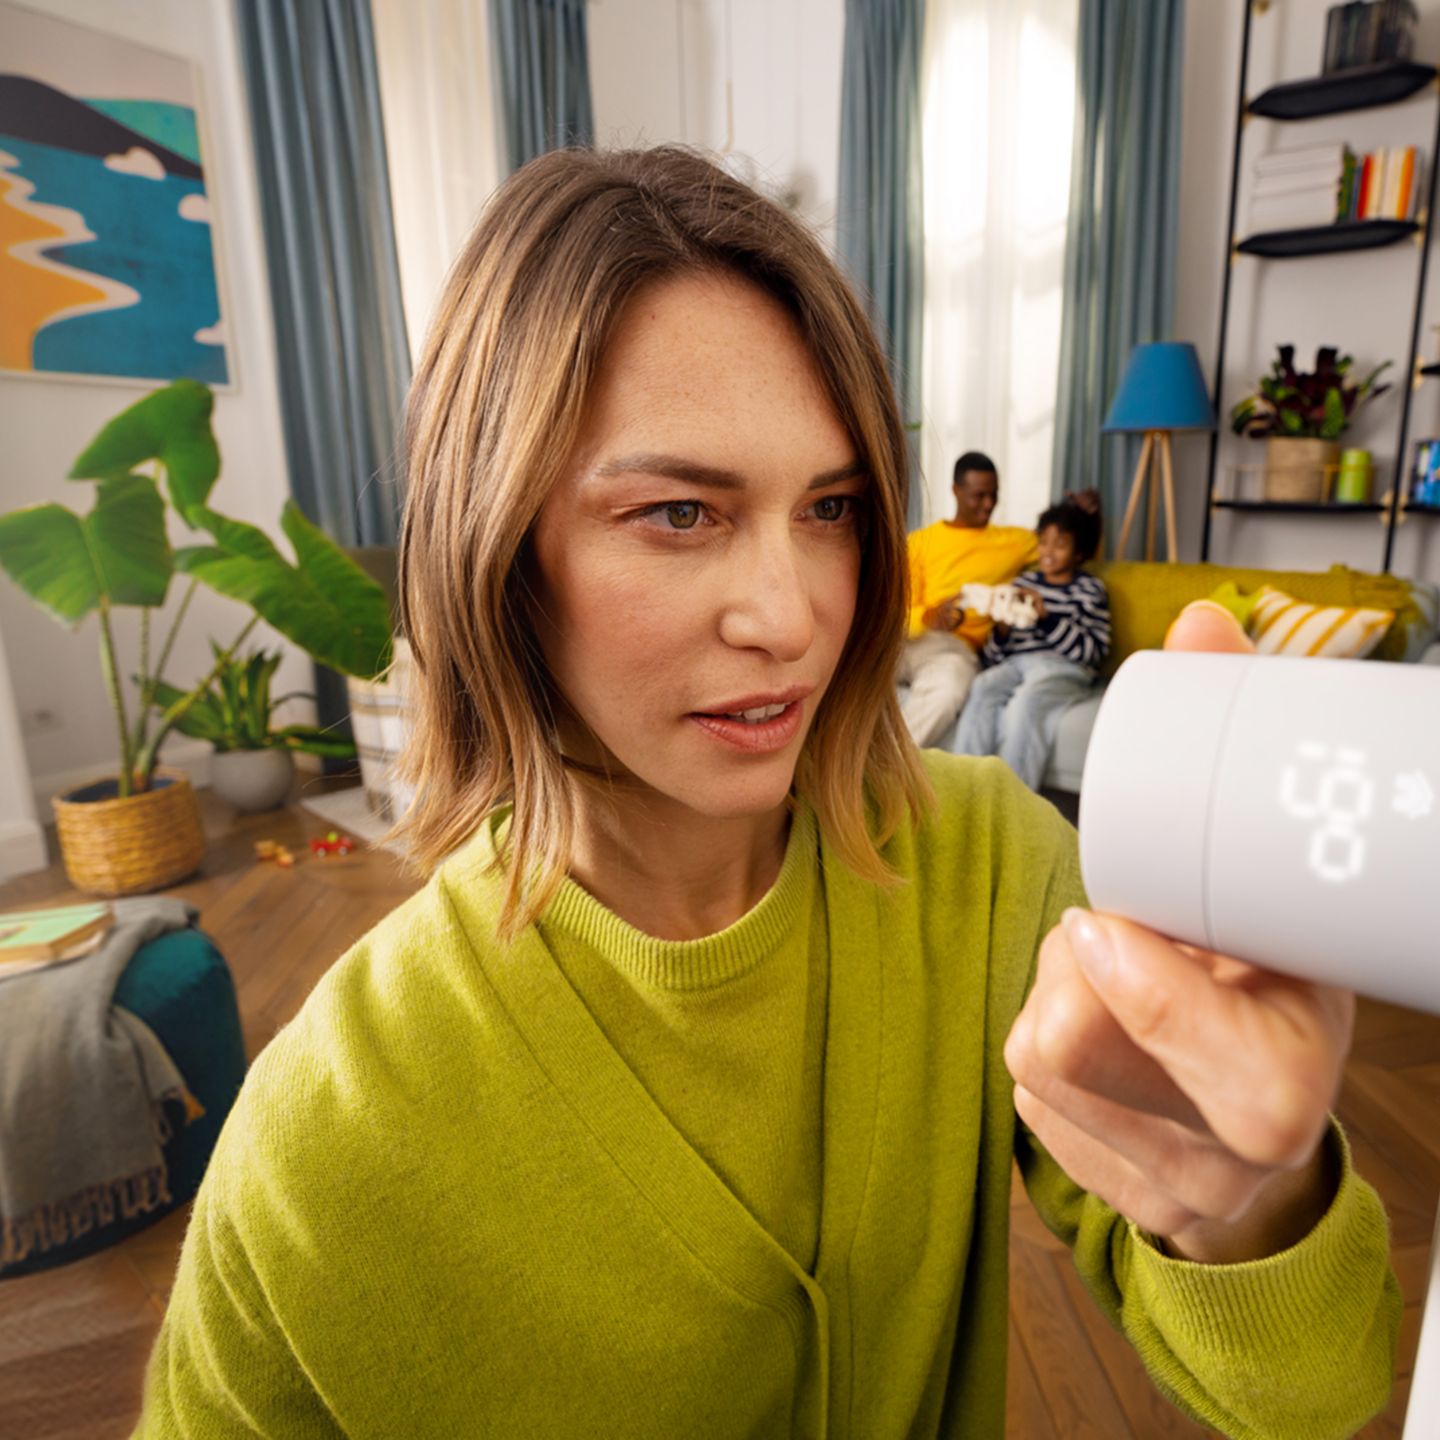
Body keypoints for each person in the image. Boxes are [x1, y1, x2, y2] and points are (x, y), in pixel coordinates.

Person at [133, 147, 1398, 1439]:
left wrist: (1249, 1209)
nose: (793, 617)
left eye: (833, 507)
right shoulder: (320, 1147)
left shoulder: (993, 873)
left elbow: (1314, 1394)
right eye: (681, 513)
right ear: (501, 549)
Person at [955, 492, 1110, 789]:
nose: (1048, 552)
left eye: (1061, 545)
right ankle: (963, 787)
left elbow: (1093, 653)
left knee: (1026, 702)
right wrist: (1001, 631)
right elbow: (995, 657)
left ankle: (1012, 800)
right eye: (1044, 542)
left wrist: (1046, 617)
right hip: (1017, 663)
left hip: (1062, 668)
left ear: (1079, 553)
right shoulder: (1022, 584)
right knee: (983, 686)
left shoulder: (1089, 589)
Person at [896, 453, 1038, 746]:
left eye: (993, 495)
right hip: (902, 641)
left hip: (953, 650)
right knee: (844, 668)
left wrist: (1084, 516)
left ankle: (883, 774)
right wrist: (927, 617)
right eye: (978, 496)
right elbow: (893, 615)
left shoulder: (1016, 542)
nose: (988, 505)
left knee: (947, 690)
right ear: (956, 491)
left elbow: (1066, 552)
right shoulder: (922, 542)